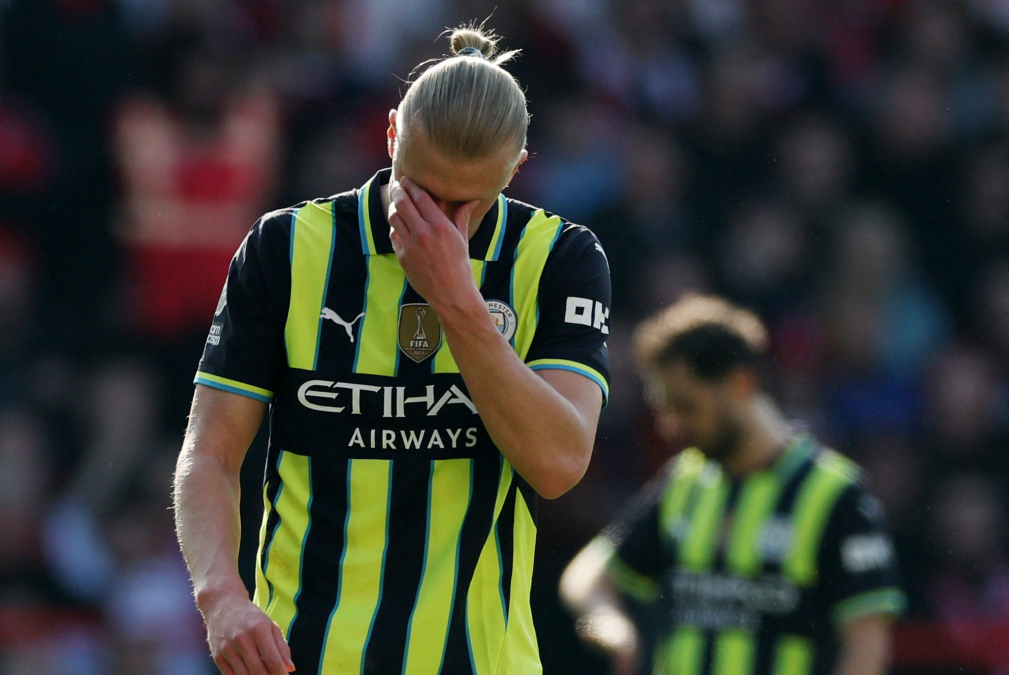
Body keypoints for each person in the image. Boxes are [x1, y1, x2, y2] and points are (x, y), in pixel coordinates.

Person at [173, 23, 613, 675]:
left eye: (467, 202)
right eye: (422, 190)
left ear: (516, 168)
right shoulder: (286, 250)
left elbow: (557, 462)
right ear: (389, 138)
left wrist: (457, 302)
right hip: (308, 657)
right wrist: (221, 596)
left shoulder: (560, 259)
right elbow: (209, 452)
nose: (438, 220)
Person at [560, 294, 905, 675]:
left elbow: (867, 648)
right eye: (665, 409)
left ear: (740, 384)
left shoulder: (835, 495)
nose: (670, 426)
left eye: (685, 406)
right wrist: (611, 629)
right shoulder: (684, 483)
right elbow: (584, 579)